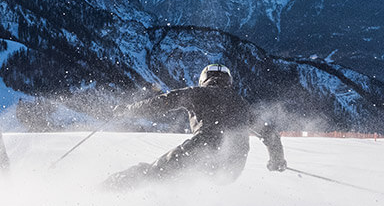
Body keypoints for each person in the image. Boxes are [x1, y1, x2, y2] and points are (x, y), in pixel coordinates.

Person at [105, 64, 287, 189]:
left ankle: (107, 189)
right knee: (185, 180)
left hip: (202, 150)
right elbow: (270, 134)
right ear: (229, 81)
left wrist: (128, 110)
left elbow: (161, 103)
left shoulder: (196, 93)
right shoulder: (242, 104)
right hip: (233, 167)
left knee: (153, 173)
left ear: (204, 79)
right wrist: (277, 160)